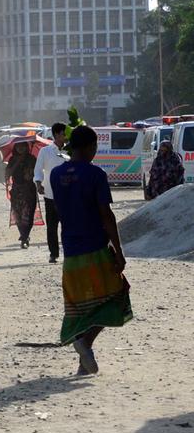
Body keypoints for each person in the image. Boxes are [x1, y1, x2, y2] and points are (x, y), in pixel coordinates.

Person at [50, 125, 132, 376]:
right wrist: (118, 251)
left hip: (71, 251)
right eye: (95, 146)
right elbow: (106, 215)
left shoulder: (55, 174)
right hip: (95, 248)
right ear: (88, 147)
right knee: (118, 295)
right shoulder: (95, 175)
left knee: (83, 306)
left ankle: (83, 363)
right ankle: (84, 343)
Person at [34, 123, 70, 263]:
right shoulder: (45, 151)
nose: (66, 136)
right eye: (63, 134)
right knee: (52, 226)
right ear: (56, 135)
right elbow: (38, 170)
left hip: (69, 195)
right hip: (50, 194)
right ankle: (53, 253)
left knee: (68, 226)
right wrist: (38, 183)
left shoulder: (71, 151)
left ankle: (68, 252)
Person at [5, 141, 38, 249]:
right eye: (18, 146)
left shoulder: (32, 159)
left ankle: (25, 236)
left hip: (29, 190)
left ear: (26, 147)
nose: (21, 148)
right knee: (18, 215)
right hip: (16, 191)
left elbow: (35, 173)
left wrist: (29, 171)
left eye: (23, 146)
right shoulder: (12, 159)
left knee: (29, 215)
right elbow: (8, 173)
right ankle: (24, 236)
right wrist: (17, 162)